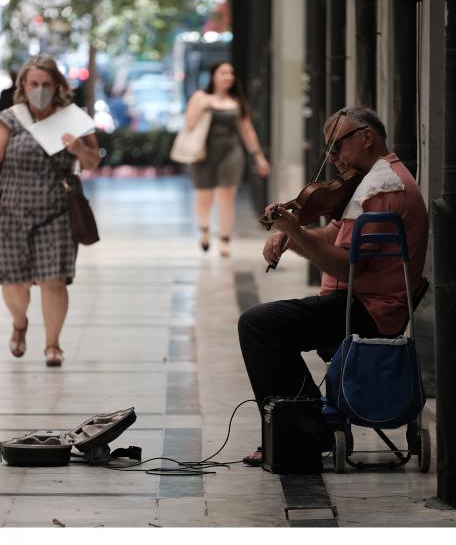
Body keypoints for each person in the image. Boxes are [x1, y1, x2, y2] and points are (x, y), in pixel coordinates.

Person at [237, 106, 429, 465]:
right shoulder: (374, 181)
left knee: (258, 325)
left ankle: (303, 431)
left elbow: (346, 264)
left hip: (368, 312)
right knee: (266, 324)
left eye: (337, 147)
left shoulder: (384, 189)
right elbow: (338, 237)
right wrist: (295, 238)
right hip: (354, 303)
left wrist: (294, 231)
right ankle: (304, 426)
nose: (333, 158)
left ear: (366, 137)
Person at [0, 56, 100, 367]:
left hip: (55, 211)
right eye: (34, 83)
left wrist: (79, 149)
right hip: (12, 213)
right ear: (23, 85)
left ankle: (52, 344)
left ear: (58, 86)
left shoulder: (73, 118)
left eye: (47, 84)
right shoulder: (10, 118)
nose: (40, 89)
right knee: (15, 285)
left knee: (54, 281)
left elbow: (94, 160)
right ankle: (20, 323)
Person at [183, 62, 270, 257]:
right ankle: (205, 230)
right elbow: (189, 123)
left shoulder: (236, 101)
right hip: (202, 154)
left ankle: (224, 240)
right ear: (213, 76)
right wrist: (203, 106)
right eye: (223, 72)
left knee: (227, 198)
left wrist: (258, 157)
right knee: (204, 198)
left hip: (231, 153)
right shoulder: (200, 97)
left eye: (231, 73)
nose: (228, 76)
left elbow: (247, 131)